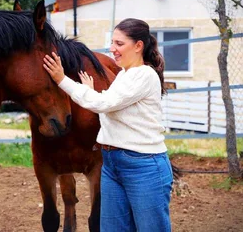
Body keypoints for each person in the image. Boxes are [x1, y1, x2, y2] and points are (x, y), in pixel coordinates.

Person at [43, 18, 173, 232]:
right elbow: (109, 109)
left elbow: (104, 104)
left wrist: (61, 79)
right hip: (112, 163)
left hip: (143, 165)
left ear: (138, 46)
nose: (113, 49)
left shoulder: (144, 75)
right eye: (113, 43)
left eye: (119, 44)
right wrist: (92, 93)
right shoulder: (124, 75)